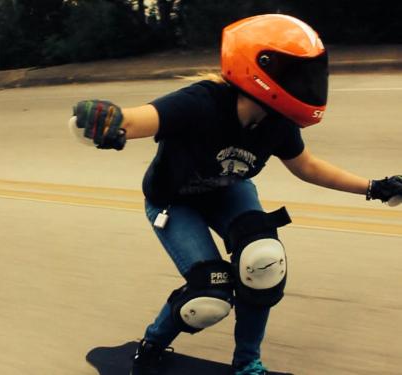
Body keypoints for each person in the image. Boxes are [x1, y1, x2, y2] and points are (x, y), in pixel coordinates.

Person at [72, 14, 402, 375]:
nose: (307, 83)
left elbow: (307, 166)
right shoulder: (202, 103)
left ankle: (247, 364)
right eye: (295, 73)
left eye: (310, 73)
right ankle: (152, 343)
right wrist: (108, 121)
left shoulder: (277, 122)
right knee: (209, 296)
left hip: (229, 191)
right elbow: (138, 119)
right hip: (174, 202)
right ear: (256, 68)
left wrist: (373, 187)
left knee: (263, 265)